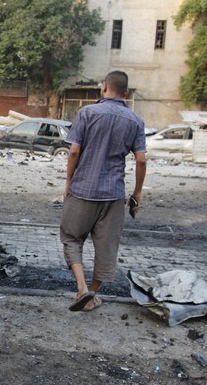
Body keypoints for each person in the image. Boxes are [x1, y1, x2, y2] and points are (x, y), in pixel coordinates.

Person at [60, 71, 147, 312]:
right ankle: (92, 294)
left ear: (104, 87)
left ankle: (82, 288)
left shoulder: (87, 113)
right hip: (113, 194)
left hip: (82, 189)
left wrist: (68, 181)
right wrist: (137, 193)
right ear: (126, 93)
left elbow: (74, 151)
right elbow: (141, 160)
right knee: (106, 246)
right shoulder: (135, 121)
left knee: (71, 238)